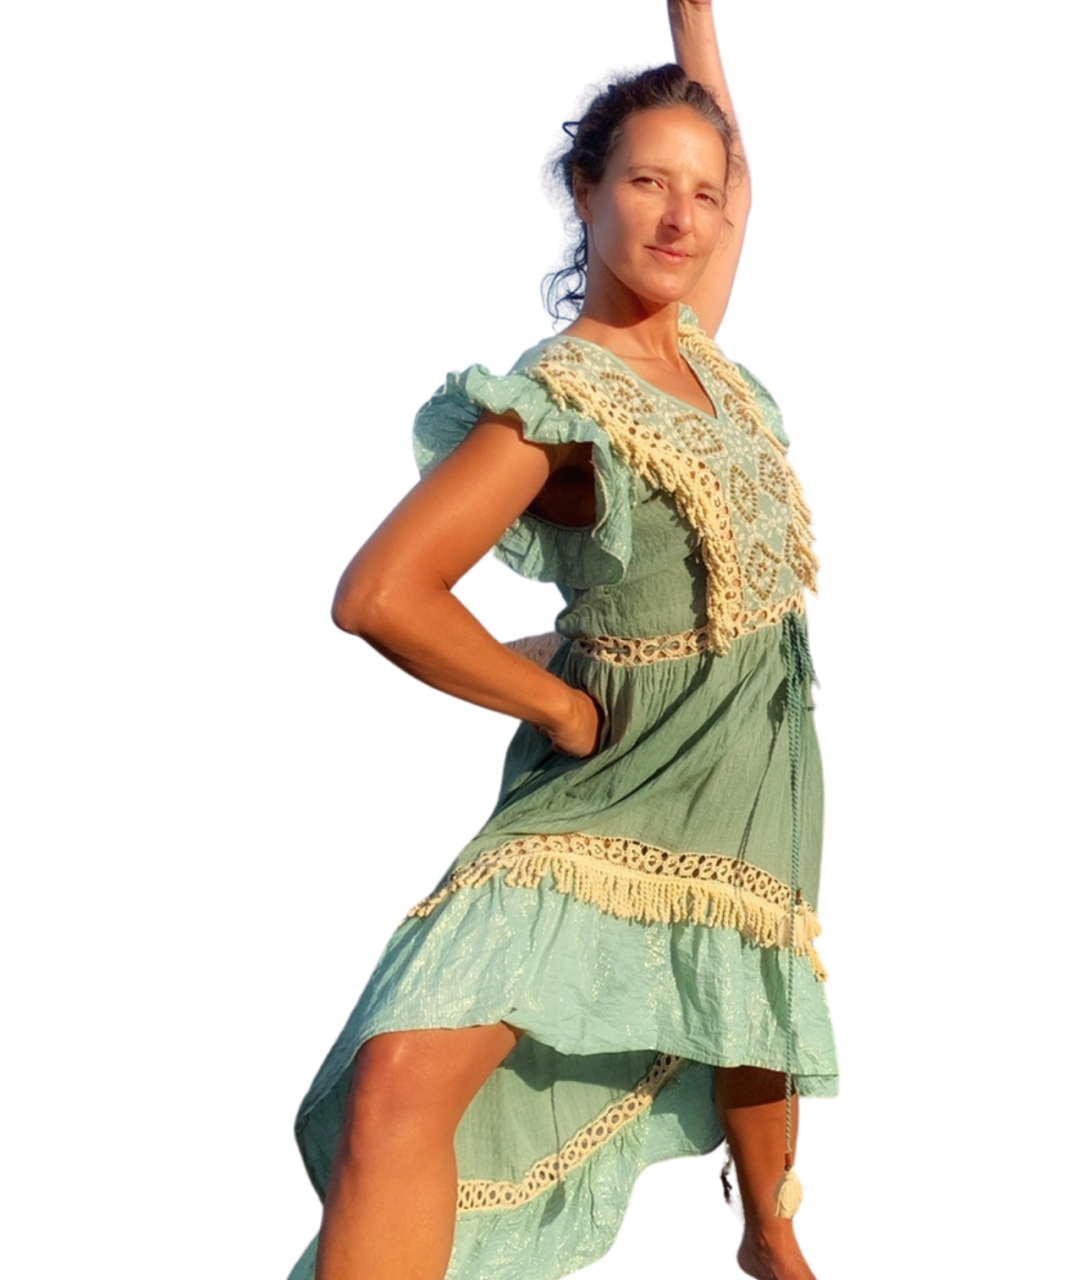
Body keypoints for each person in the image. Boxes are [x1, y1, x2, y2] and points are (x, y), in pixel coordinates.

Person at [285, 6, 834, 1279]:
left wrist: (696, 25)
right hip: (611, 784)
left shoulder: (704, 355)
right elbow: (381, 595)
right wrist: (561, 705)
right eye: (646, 183)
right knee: (399, 1078)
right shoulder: (563, 397)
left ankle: (768, 1235)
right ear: (583, 193)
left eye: (701, 193)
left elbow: (738, 175)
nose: (683, 217)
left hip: (753, 775)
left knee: (755, 1045)